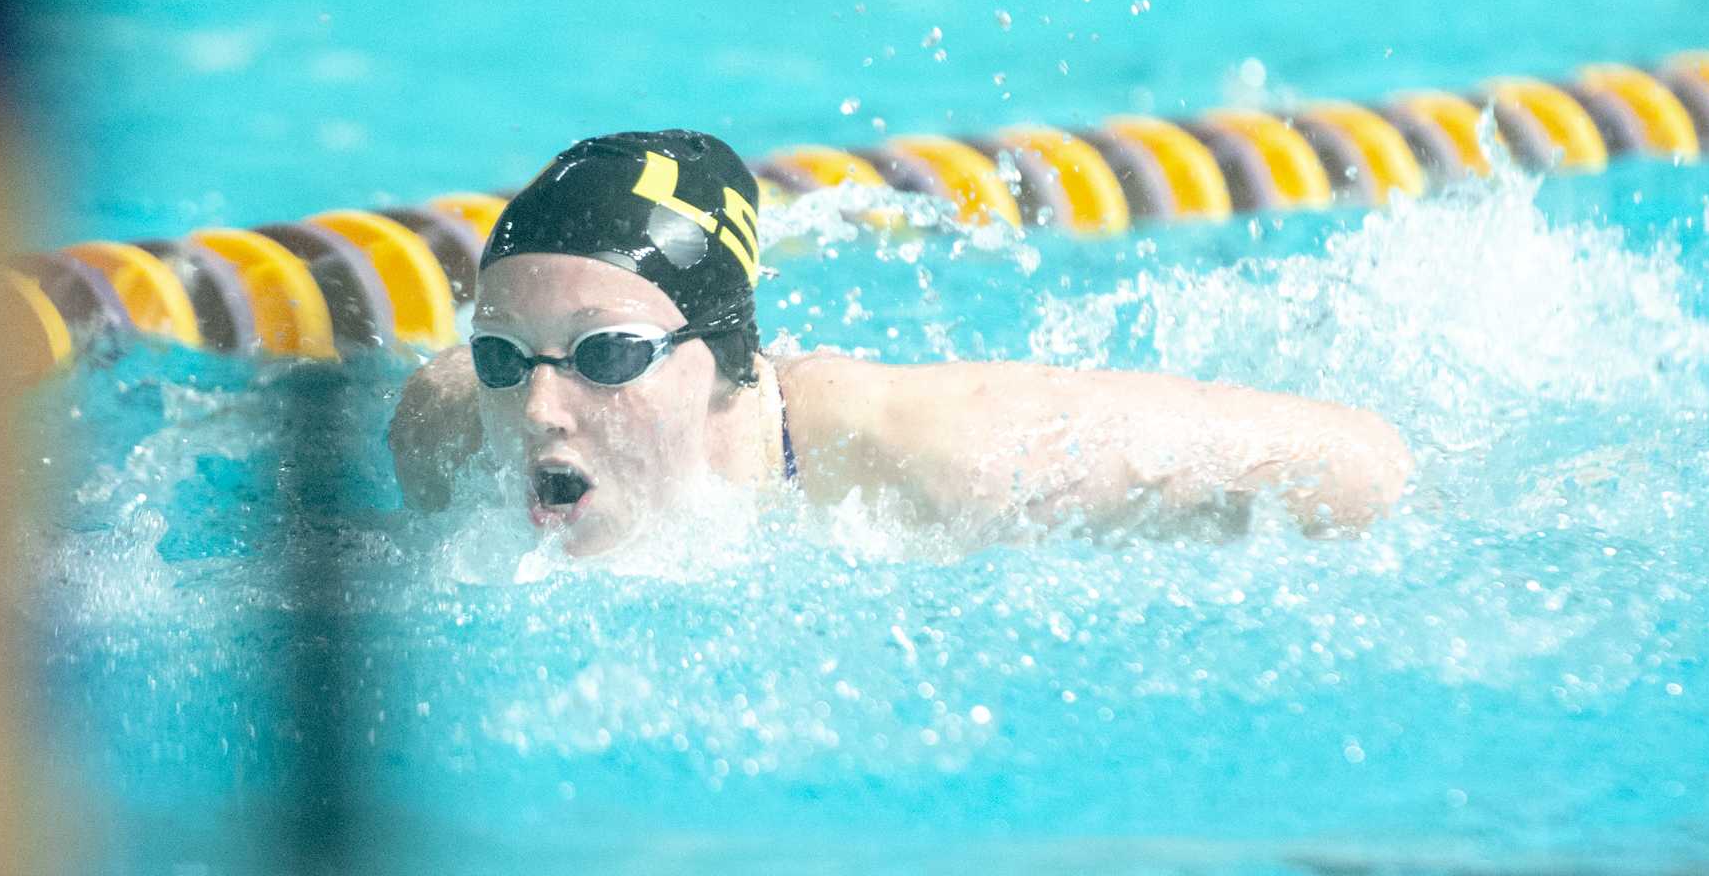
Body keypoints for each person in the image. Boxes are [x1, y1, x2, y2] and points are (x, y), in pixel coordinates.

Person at [390, 129, 1413, 557]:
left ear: (728, 362)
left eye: (605, 353)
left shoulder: (934, 460)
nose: (536, 409)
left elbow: (1361, 465)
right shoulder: (443, 442)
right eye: (501, 356)